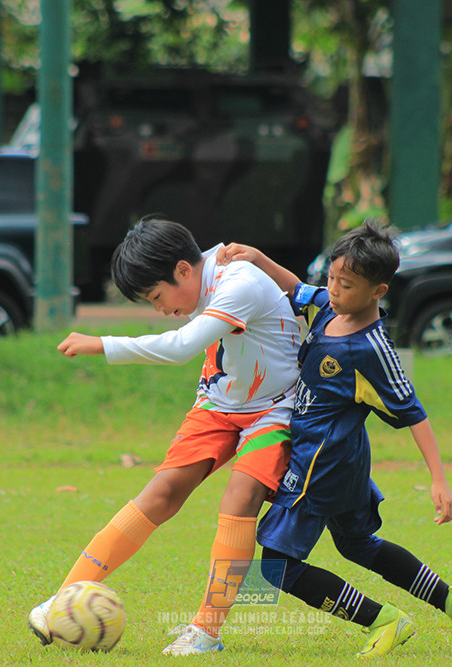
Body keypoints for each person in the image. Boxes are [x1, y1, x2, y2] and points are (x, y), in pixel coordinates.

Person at [28, 216, 303, 655]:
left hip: (277, 406)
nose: (159, 308)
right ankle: (61, 600)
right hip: (220, 399)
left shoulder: (240, 282)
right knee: (161, 492)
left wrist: (103, 343)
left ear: (182, 270)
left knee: (239, 498)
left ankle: (206, 632)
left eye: (156, 297)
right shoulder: (199, 274)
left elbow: (180, 347)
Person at [217, 220, 452, 657]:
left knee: (274, 568)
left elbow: (414, 413)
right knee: (357, 545)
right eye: (331, 278)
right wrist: (258, 257)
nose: (333, 289)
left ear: (378, 291)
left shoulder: (372, 349)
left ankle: (383, 621)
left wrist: (439, 480)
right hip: (342, 463)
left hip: (320, 468)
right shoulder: (330, 308)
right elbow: (297, 289)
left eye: (345, 284)